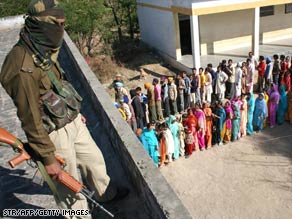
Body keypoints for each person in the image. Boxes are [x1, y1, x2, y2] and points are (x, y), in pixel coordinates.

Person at [0, 0, 127, 215]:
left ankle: (106, 193)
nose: (61, 28)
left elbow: (59, 83)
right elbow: (30, 118)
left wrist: (75, 112)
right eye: (56, 23)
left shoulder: (41, 46)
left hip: (71, 120)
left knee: (94, 160)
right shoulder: (22, 66)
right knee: (69, 185)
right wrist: (48, 158)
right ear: (41, 23)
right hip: (53, 133)